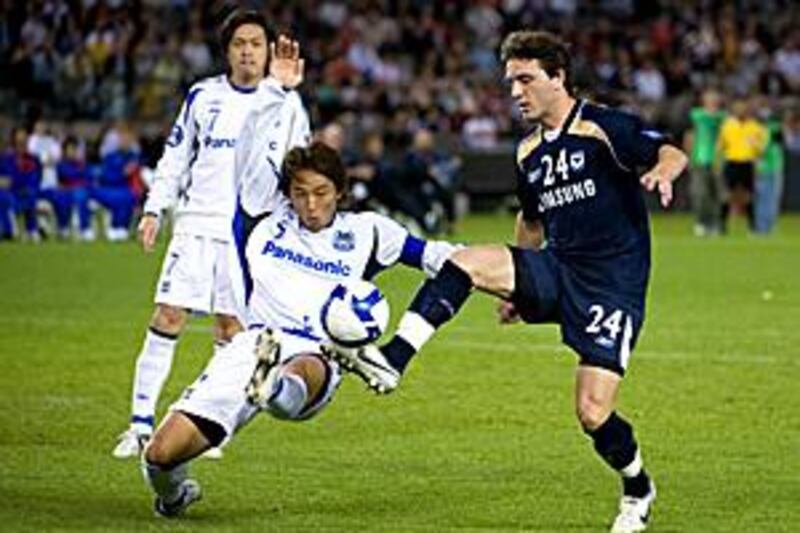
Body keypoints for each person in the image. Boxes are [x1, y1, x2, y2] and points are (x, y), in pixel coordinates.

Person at [325, 31, 688, 533]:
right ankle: (392, 360)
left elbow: (670, 152)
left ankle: (638, 488)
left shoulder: (603, 126)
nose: (515, 92)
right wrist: (518, 288)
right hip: (556, 269)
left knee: (592, 412)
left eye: (525, 79)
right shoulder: (528, 154)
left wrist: (663, 174)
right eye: (510, 82)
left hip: (610, 287)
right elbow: (532, 223)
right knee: (465, 262)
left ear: (557, 77)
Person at [140, 142, 457, 517]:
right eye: (300, 194)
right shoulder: (263, 223)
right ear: (287, 194)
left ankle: (272, 385)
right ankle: (175, 497)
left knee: (302, 368)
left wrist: (501, 276)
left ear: (340, 190)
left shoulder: (368, 232)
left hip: (321, 351)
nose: (310, 205)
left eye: (321, 193)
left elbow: (437, 257)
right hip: (252, 346)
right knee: (160, 456)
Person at [112, 9, 309, 459]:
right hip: (197, 224)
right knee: (168, 317)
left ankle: (205, 428)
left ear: (267, 51)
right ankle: (140, 425)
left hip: (247, 237)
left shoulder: (288, 104)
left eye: (256, 44)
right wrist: (154, 209)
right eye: (239, 43)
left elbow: (299, 168)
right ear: (227, 50)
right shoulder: (203, 96)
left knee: (232, 330)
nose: (247, 52)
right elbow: (175, 156)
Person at [717, 97, 767, 233]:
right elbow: (721, 145)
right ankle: (722, 225)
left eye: (742, 108)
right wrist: (718, 162)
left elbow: (762, 149)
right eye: (737, 108)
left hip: (747, 163)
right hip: (732, 162)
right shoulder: (728, 125)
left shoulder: (755, 127)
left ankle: (752, 226)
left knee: (748, 195)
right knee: (727, 194)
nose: (740, 110)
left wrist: (755, 147)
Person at [684, 88, 726, 236]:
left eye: (715, 98)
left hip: (718, 161)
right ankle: (701, 222)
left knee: (717, 194)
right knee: (700, 193)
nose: (712, 101)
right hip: (699, 159)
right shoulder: (696, 115)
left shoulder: (723, 117)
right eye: (709, 98)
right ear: (704, 100)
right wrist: (689, 157)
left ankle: (715, 223)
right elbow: (689, 135)